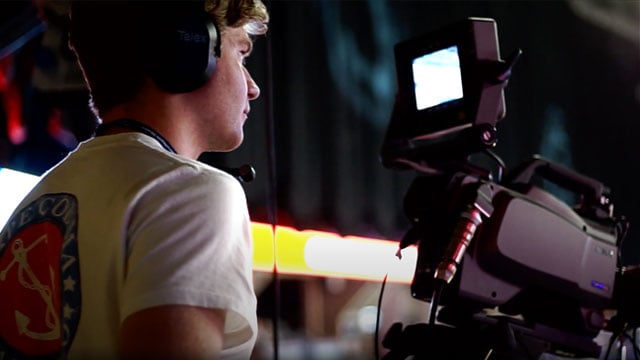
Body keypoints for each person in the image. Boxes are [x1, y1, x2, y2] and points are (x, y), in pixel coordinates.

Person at [0, 0, 269, 358]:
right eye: (242, 55)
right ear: (190, 48)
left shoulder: (31, 205)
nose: (253, 88)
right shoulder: (192, 194)